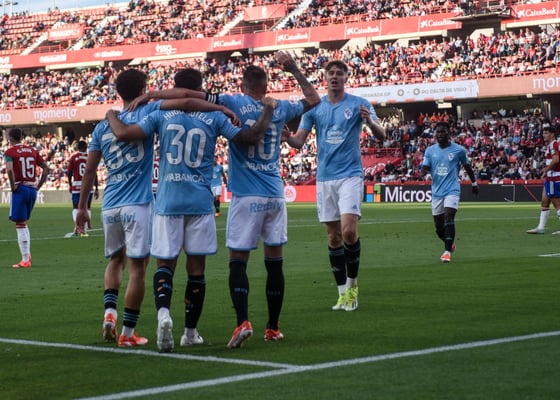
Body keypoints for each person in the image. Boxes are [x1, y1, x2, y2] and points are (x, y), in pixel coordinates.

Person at [105, 67, 276, 352]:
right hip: (200, 201)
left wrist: (111, 115)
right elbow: (247, 138)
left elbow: (126, 133)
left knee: (164, 265)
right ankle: (190, 332)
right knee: (196, 270)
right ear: (201, 89)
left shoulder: (159, 114)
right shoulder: (216, 117)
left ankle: (163, 315)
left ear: (174, 87)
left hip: (168, 200)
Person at [76, 68, 231, 348]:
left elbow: (89, 171)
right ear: (142, 90)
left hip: (109, 204)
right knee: (138, 268)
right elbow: (186, 99)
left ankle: (110, 312)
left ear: (118, 92)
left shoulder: (102, 126)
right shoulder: (151, 110)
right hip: (138, 203)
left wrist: (83, 207)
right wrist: (218, 106)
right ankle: (128, 332)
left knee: (115, 261)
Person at [219, 51, 321, 348]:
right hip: (275, 194)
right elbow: (314, 99)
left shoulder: (232, 102)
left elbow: (200, 100)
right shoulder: (281, 107)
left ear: (243, 85)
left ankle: (242, 321)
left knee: (238, 261)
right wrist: (294, 69)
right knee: (274, 263)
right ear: (266, 86)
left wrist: (222, 109)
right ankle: (273, 328)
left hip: (246, 194)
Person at [284, 59, 386, 312]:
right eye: (331, 73)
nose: (335, 77)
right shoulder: (314, 109)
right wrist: (287, 137)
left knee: (349, 232)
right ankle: (342, 293)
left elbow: (382, 135)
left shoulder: (359, 104)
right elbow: (298, 142)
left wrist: (370, 122)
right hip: (325, 178)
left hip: (350, 175)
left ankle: (352, 287)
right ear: (325, 77)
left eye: (340, 73)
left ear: (346, 78)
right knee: (333, 236)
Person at [420, 121, 478, 263]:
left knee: (449, 217)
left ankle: (447, 253)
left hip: (452, 189)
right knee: (439, 227)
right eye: (437, 132)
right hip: (437, 192)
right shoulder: (430, 151)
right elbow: (425, 167)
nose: (439, 134)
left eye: (442, 131)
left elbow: (467, 167)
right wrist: (424, 173)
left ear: (448, 133)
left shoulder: (459, 150)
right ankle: (449, 244)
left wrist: (474, 183)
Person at [4, 128, 50, 269]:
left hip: (20, 188)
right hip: (32, 189)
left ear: (10, 138)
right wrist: (39, 185)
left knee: (20, 224)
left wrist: (13, 186)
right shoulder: (32, 150)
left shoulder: (10, 152)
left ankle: (25, 260)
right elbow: (46, 168)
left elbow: (9, 169)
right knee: (23, 222)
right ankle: (27, 255)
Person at [526, 122, 560, 234]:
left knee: (556, 203)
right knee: (545, 201)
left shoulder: (553, 145)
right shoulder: (551, 145)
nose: (544, 135)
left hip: (554, 178)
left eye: (546, 133)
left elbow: (556, 160)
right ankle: (541, 228)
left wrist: (546, 169)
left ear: (552, 134)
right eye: (543, 133)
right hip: (549, 178)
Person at [67, 140, 99, 236]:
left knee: (75, 207)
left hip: (76, 185)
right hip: (88, 186)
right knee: (87, 207)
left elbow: (69, 172)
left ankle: (77, 224)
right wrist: (96, 188)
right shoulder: (90, 157)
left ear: (77, 148)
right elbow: (94, 173)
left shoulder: (73, 157)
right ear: (86, 147)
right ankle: (84, 230)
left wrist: (70, 184)